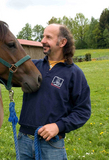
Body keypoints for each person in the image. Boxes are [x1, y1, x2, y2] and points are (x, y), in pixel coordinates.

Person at [17, 24, 91, 160]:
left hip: (51, 145)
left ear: (62, 42)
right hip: (24, 140)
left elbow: (83, 111)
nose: (42, 40)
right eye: (43, 36)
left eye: (48, 37)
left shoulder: (75, 74)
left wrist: (59, 126)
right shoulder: (33, 67)